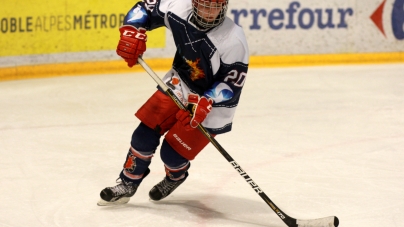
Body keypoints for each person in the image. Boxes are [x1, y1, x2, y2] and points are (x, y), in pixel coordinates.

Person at [98, 0, 249, 206]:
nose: (209, 12)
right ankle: (128, 183)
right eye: (204, 5)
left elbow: (231, 83)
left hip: (211, 105)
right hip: (180, 84)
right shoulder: (177, 6)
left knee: (171, 155)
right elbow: (145, 8)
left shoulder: (233, 39)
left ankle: (176, 176)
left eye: (215, 6)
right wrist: (132, 30)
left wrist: (208, 101)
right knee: (143, 134)